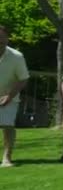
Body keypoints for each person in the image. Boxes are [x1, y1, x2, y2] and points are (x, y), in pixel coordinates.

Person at [0, 25, 29, 167]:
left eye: (2, 37)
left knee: (7, 126)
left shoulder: (16, 56)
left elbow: (23, 78)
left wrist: (9, 96)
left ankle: (7, 157)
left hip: (9, 96)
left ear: (7, 38)